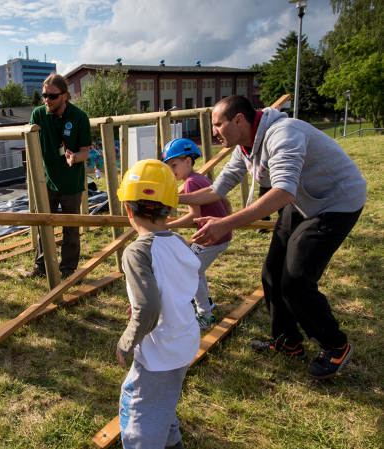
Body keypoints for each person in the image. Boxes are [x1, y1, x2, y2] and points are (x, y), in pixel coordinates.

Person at [179, 95, 367, 379]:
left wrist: (225, 223)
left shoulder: (284, 134)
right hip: (303, 200)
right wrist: (170, 198)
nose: (214, 131)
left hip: (336, 203)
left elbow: (282, 193)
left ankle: (335, 345)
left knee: (295, 280)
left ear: (239, 119)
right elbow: (216, 190)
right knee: (271, 273)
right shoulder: (244, 147)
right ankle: (288, 342)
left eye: (218, 124)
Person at [116, 159, 200, 449]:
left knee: (138, 409)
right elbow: (182, 281)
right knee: (164, 396)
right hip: (184, 340)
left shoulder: (136, 251)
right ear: (171, 207)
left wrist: (126, 342)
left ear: (127, 209)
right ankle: (171, 440)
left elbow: (148, 309)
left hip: (159, 350)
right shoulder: (178, 241)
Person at [26, 74, 92, 279]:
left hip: (71, 184)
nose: (47, 100)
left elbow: (85, 151)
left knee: (70, 229)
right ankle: (42, 265)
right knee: (43, 226)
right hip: (45, 182)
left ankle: (68, 269)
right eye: (44, 95)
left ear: (65, 96)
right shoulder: (38, 115)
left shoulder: (79, 117)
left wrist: (75, 157)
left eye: (52, 96)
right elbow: (32, 146)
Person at [163, 138, 232, 330]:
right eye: (168, 167)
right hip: (218, 234)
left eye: (173, 165)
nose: (171, 170)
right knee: (194, 268)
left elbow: (194, 216)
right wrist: (228, 224)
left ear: (187, 161)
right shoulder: (201, 178)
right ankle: (205, 302)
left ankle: (205, 315)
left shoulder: (191, 183)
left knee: (190, 271)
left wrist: (167, 227)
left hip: (211, 237)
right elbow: (226, 203)